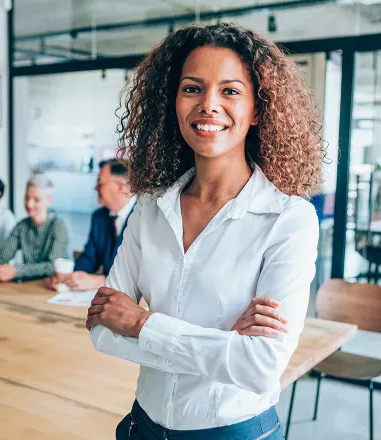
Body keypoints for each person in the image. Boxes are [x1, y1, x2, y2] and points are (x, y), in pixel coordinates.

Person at [86, 24, 324, 440]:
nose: (208, 105)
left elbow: (262, 368)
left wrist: (142, 323)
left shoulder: (289, 219)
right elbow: (104, 329)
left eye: (230, 91)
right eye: (192, 88)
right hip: (141, 426)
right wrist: (221, 344)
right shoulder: (150, 206)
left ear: (257, 110)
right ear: (172, 102)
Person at [45, 159, 136, 291]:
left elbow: (144, 275)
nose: (95, 188)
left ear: (121, 187)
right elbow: (89, 259)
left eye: (100, 183)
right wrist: (68, 278)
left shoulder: (145, 218)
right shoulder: (99, 217)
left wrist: (100, 281)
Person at [0, 175, 69, 282]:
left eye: (36, 200)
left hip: (55, 286)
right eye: (27, 198)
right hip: (29, 286)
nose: (29, 204)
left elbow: (52, 266)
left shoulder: (58, 225)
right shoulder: (21, 226)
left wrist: (16, 271)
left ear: (49, 201)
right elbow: (3, 258)